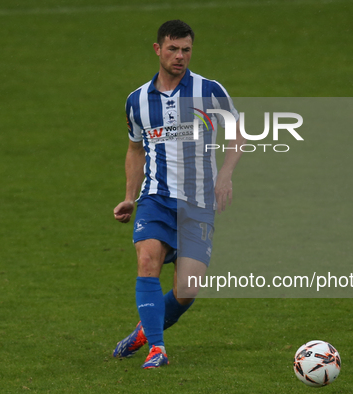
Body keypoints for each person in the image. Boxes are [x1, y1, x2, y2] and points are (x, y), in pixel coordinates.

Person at [112, 19, 244, 369]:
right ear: (158, 49)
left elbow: (238, 135)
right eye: (173, 48)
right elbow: (135, 149)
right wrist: (129, 196)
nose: (180, 56)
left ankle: (145, 331)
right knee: (146, 262)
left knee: (186, 291)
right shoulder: (137, 100)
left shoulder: (210, 90)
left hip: (198, 201)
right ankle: (157, 348)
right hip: (155, 198)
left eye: (186, 49)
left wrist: (226, 175)